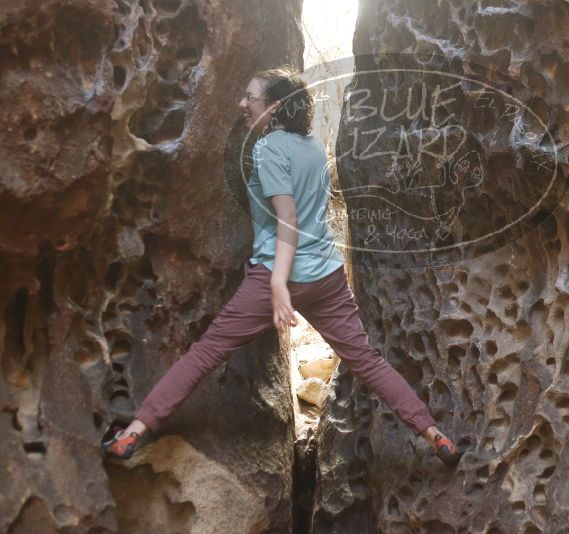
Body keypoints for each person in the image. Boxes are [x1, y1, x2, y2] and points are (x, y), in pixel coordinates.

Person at [100, 66, 464, 466]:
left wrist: (277, 283)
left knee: (205, 353)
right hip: (326, 275)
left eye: (250, 98)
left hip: (278, 275)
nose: (242, 104)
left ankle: (132, 434)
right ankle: (434, 435)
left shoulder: (268, 147)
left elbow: (287, 218)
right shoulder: (311, 144)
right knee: (366, 361)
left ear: (272, 107)